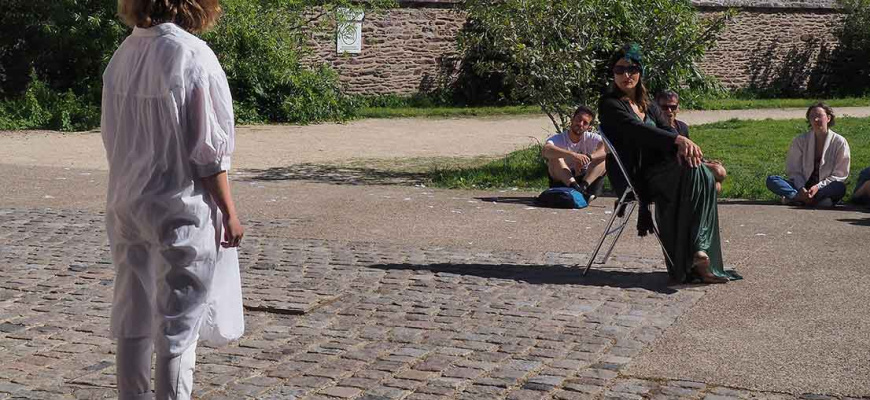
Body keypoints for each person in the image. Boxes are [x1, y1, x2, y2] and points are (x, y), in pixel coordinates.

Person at [102, 1, 245, 399]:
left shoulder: (123, 55)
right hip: (180, 206)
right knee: (178, 326)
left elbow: (113, 138)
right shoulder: (193, 56)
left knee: (133, 314)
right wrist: (230, 212)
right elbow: (209, 153)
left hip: (128, 201)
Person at [598, 43, 739, 284]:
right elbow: (638, 131)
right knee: (704, 177)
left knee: (700, 174)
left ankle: (699, 253)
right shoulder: (610, 104)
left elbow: (665, 128)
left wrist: (684, 146)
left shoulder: (649, 104)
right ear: (613, 74)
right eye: (619, 70)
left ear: (640, 71)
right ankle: (698, 252)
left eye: (631, 69)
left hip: (660, 172)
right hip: (636, 178)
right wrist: (678, 139)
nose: (626, 75)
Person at [766, 103, 850, 207]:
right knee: (772, 180)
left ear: (828, 118)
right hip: (801, 186)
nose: (815, 120)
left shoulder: (839, 142)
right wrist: (801, 189)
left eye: (819, 116)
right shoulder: (800, 140)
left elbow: (840, 175)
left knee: (840, 187)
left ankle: (795, 199)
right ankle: (806, 199)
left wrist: (817, 187)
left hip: (824, 187)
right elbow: (794, 171)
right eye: (812, 117)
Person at [655, 90, 728, 193]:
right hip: (671, 171)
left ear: (678, 108)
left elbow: (690, 152)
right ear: (656, 109)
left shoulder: (682, 127)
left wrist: (704, 161)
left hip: (687, 167)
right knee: (719, 172)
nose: (669, 111)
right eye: (664, 107)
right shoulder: (655, 129)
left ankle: (697, 207)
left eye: (673, 107)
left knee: (716, 186)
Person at [541, 106, 607, 202]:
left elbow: (607, 149)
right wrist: (573, 155)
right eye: (578, 120)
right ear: (572, 119)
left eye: (585, 123)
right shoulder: (559, 138)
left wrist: (588, 157)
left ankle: (582, 187)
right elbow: (545, 151)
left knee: (604, 158)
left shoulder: (592, 138)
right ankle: (577, 189)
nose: (580, 124)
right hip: (564, 180)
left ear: (589, 127)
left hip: (585, 178)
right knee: (555, 157)